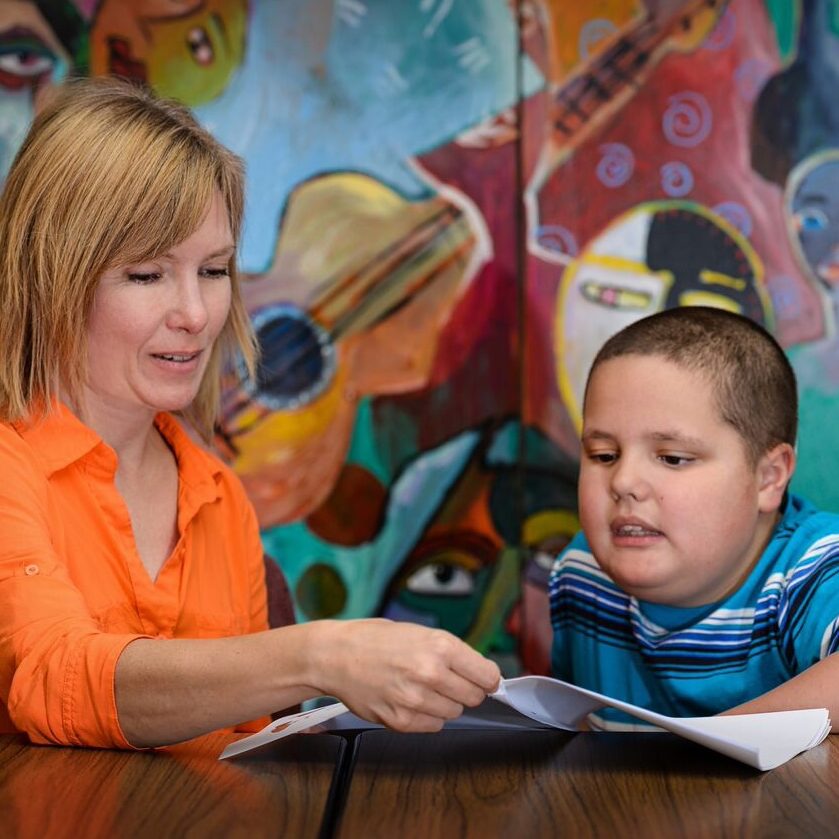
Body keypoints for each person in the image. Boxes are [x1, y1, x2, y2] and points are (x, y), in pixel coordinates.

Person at [0, 76, 500, 750]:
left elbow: (249, 757)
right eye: (147, 275)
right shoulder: (11, 467)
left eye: (213, 270)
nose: (197, 315)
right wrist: (316, 655)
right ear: (47, 277)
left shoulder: (218, 496)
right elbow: (57, 676)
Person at [549, 305, 839, 730]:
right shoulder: (582, 572)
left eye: (672, 458)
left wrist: (703, 745)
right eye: (603, 455)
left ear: (768, 477)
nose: (624, 481)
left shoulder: (813, 567)